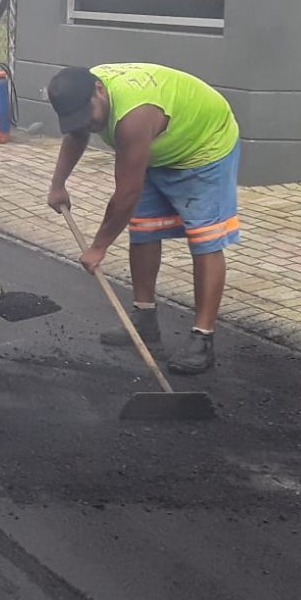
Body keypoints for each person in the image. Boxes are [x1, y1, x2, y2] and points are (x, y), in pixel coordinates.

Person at [45, 63, 241, 375]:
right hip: (159, 147)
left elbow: (126, 194)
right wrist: (58, 184)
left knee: (205, 238)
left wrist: (98, 247)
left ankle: (203, 338)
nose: (89, 125)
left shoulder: (133, 117)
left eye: (89, 115)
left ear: (99, 90)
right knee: (144, 228)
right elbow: (77, 135)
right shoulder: (84, 94)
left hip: (204, 145)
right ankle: (145, 321)